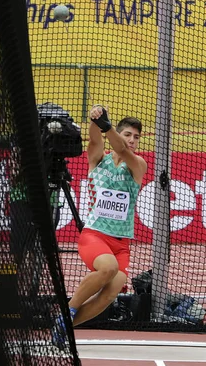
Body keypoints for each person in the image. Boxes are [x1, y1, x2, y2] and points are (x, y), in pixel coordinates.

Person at [52, 104, 147, 347]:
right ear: (119, 132)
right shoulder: (98, 161)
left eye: (137, 137)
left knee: (110, 292)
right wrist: (96, 118)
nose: (132, 140)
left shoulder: (137, 165)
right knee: (108, 269)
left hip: (121, 244)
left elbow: (122, 150)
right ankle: (67, 311)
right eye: (128, 134)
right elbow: (96, 141)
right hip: (94, 236)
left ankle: (63, 329)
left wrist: (107, 127)